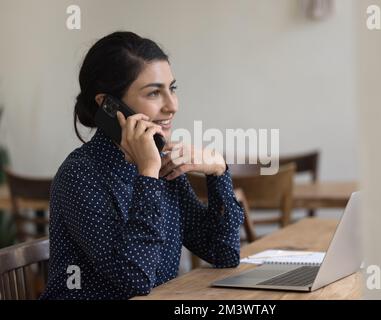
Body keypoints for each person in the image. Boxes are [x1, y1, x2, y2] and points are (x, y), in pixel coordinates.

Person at [40, 31, 244, 300]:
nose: (172, 106)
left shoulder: (163, 166)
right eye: (154, 93)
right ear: (109, 105)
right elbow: (134, 280)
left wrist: (219, 171)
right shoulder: (79, 175)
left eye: (172, 88)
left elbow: (224, 253)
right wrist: (148, 173)